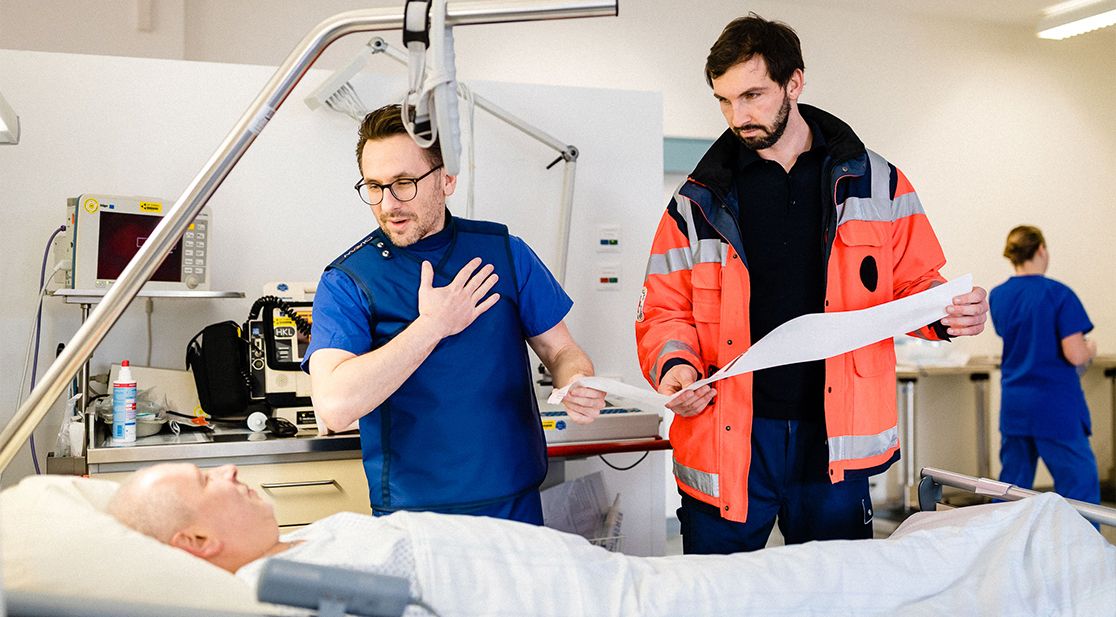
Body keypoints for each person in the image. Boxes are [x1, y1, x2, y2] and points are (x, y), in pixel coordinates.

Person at [635, 13, 990, 555]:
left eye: (752, 95)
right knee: (719, 594)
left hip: (835, 438)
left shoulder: (878, 183)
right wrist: (675, 366)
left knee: (836, 593)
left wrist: (949, 314)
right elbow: (664, 310)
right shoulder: (696, 199)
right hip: (729, 434)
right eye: (724, 100)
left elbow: (915, 284)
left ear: (794, 83)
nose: (738, 116)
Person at [105, 463, 1115, 616]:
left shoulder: (304, 548)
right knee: (837, 582)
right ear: (194, 541)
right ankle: (1031, 560)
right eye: (208, 482)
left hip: (618, 581)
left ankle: (1017, 548)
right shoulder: (293, 585)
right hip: (626, 604)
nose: (231, 474)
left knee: (832, 569)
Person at [303, 104, 605, 525]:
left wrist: (575, 381)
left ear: (446, 179)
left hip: (514, 507)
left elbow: (561, 351)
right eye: (374, 186)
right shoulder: (349, 280)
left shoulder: (505, 253)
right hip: (413, 517)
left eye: (404, 183)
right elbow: (335, 407)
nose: (388, 204)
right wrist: (432, 327)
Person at [989, 225, 1100, 505]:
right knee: (1079, 488)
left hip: (1015, 406)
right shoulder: (1059, 294)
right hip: (1055, 407)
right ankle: (1078, 537)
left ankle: (1002, 534)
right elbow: (1075, 355)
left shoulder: (998, 295)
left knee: (1010, 489)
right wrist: (1090, 348)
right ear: (1041, 249)